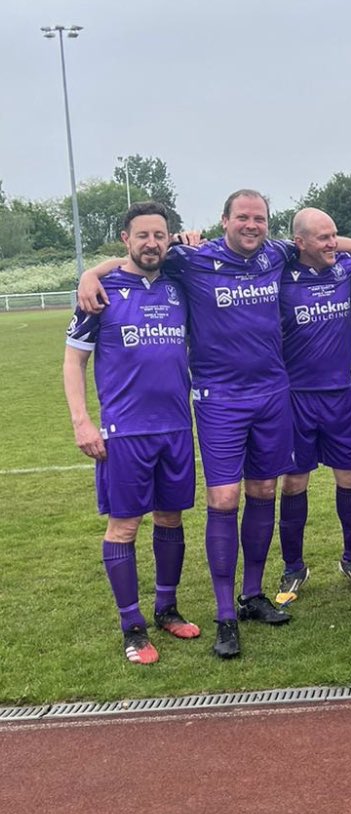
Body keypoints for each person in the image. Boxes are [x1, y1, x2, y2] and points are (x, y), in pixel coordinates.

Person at [77, 190, 351, 657]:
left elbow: (327, 240)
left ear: (269, 224)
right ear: (224, 221)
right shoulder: (192, 258)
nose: (251, 225)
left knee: (264, 491)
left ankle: (252, 595)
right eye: (242, 217)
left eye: (259, 218)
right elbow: (144, 254)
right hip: (219, 399)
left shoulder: (276, 253)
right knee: (224, 497)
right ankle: (225, 616)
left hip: (273, 395)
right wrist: (90, 272)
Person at [63, 202, 200, 664]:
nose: (151, 243)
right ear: (125, 239)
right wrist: (82, 420)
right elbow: (73, 360)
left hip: (177, 426)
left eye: (159, 235)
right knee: (124, 525)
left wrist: (186, 240)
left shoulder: (179, 284)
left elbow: (191, 246)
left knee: (171, 518)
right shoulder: (100, 291)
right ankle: (131, 626)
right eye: (142, 235)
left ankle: (167, 608)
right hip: (125, 432)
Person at [276, 207, 351, 600]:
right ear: (299, 243)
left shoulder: (345, 268)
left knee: (350, 477)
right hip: (295, 397)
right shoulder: (280, 272)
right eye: (323, 238)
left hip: (340, 395)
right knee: (294, 480)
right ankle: (293, 568)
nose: (332, 243)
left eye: (335, 235)